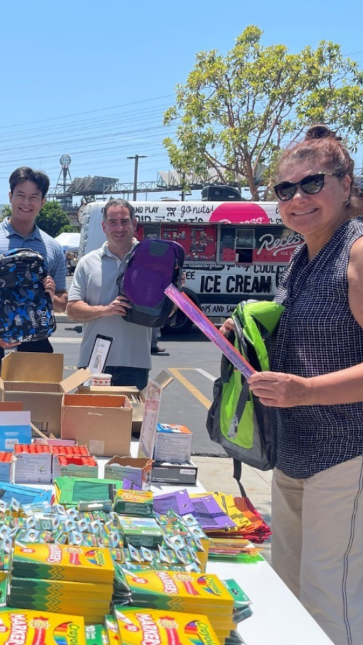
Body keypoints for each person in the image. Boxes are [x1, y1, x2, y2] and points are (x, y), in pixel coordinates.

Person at [226, 125, 363, 645]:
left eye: (312, 183)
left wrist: (305, 391)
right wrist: (244, 334)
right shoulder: (301, 257)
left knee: (332, 601)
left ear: (345, 184)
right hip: (294, 451)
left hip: (346, 454)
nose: (298, 197)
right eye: (285, 189)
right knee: (287, 591)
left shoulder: (356, 253)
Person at [0, 167, 67, 394]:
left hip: (38, 339)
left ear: (43, 201)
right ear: (10, 196)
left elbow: (61, 302)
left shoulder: (53, 246)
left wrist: (51, 295)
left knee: (38, 406)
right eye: (20, 195)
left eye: (34, 197)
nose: (26, 203)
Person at [66, 199, 152, 389]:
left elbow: (166, 312)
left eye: (124, 221)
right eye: (113, 222)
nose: (119, 228)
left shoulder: (150, 262)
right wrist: (106, 310)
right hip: (93, 362)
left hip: (135, 363)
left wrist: (174, 294)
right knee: (91, 410)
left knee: (131, 411)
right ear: (104, 226)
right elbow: (72, 310)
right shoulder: (88, 263)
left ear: (134, 224)